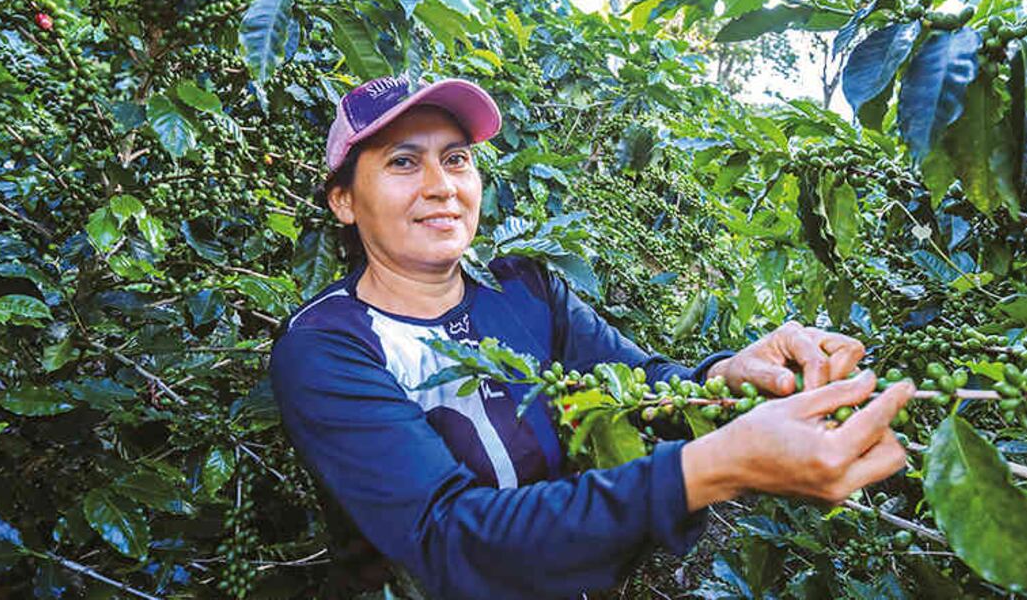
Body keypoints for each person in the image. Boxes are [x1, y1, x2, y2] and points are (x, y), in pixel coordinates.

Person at [269, 75, 915, 600]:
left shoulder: (525, 289)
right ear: (344, 201)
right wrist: (716, 467)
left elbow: (643, 386)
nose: (441, 185)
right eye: (403, 161)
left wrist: (725, 380)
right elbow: (451, 539)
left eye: (456, 158)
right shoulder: (326, 344)